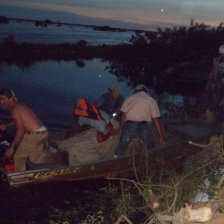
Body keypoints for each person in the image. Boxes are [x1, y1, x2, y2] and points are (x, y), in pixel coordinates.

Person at [0, 88, 49, 172]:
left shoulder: (15, 109)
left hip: (35, 135)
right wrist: (7, 125)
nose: (1, 102)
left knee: (18, 157)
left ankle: (21, 180)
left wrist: (11, 147)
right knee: (34, 158)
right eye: (0, 99)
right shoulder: (19, 105)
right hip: (43, 133)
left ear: (11, 98)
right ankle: (58, 158)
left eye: (3, 99)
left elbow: (20, 130)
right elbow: (20, 120)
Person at [114, 84, 166, 157]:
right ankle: (151, 158)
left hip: (129, 125)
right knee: (149, 145)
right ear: (145, 91)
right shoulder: (151, 100)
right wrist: (161, 137)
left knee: (122, 145)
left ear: (136, 90)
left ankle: (116, 157)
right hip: (143, 126)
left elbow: (124, 116)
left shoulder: (129, 98)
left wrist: (121, 128)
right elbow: (156, 119)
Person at [206, 44, 224, 122]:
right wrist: (209, 82)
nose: (222, 55)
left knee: (221, 103)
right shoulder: (216, 60)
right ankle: (214, 120)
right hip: (216, 84)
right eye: (221, 54)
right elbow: (213, 71)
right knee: (215, 102)